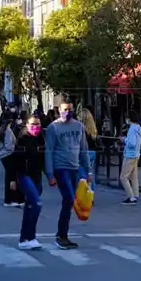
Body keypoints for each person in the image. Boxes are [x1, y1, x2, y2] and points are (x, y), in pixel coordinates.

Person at [44, 100, 91, 250]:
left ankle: (63, 234)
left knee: (70, 201)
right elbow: (49, 151)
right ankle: (61, 236)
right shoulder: (53, 127)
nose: (67, 112)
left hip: (75, 168)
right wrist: (50, 174)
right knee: (69, 198)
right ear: (59, 110)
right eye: (65, 109)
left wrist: (88, 170)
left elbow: (83, 149)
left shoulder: (79, 126)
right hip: (61, 168)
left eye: (70, 109)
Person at [10, 114, 46, 250]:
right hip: (24, 175)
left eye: (38, 124)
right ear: (27, 125)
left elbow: (43, 159)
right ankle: (30, 237)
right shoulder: (22, 139)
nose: (35, 127)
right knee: (36, 204)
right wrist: (12, 179)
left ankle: (24, 239)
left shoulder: (41, 138)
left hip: (37, 176)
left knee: (29, 207)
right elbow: (14, 160)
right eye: (33, 124)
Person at [0, 111, 23, 207]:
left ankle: (11, 199)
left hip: (3, 155)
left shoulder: (2, 128)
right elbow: (9, 145)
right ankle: (9, 199)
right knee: (11, 178)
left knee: (10, 177)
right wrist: (15, 148)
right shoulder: (7, 130)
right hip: (8, 155)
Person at [120, 110, 141, 205]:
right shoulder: (139, 128)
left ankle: (131, 197)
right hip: (136, 155)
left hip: (130, 155)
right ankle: (135, 194)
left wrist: (124, 140)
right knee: (134, 177)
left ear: (129, 119)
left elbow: (131, 143)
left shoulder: (131, 129)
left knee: (123, 177)